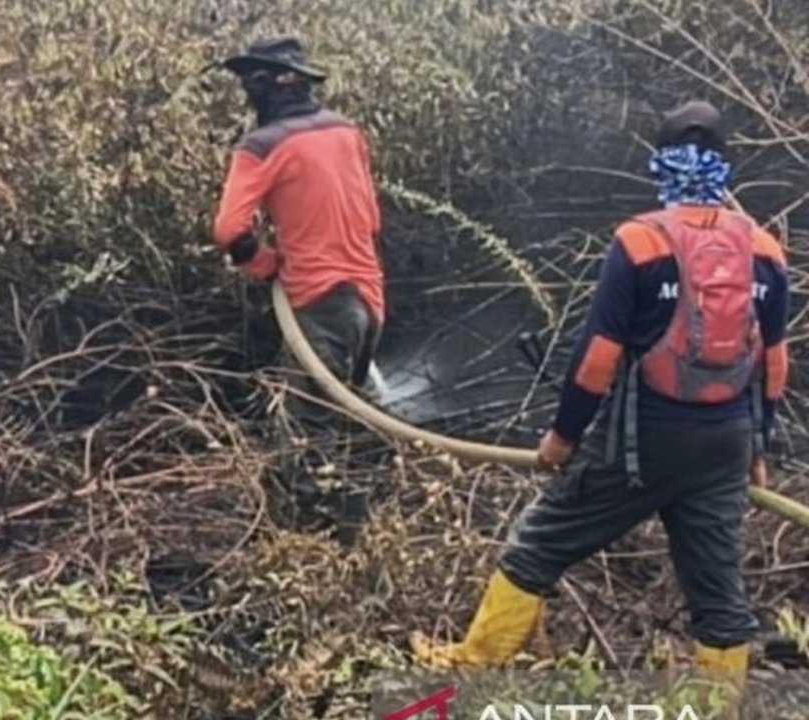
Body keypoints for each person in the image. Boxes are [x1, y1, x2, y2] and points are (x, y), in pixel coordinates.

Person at [408, 100, 791, 705]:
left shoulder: (640, 242)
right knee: (719, 597)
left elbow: (596, 359)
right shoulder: (766, 250)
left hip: (642, 445)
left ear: (661, 166)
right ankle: (717, 708)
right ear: (725, 167)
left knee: (539, 545)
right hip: (724, 445)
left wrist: (562, 438)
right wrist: (758, 448)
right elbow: (774, 363)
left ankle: (472, 664)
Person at [210, 36, 388, 544]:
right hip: (369, 299)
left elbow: (228, 230)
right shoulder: (346, 132)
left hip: (318, 300)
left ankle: (312, 550)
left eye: (251, 82)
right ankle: (368, 535)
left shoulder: (260, 146)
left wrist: (267, 265)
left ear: (269, 85)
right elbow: (371, 217)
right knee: (349, 420)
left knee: (305, 442)